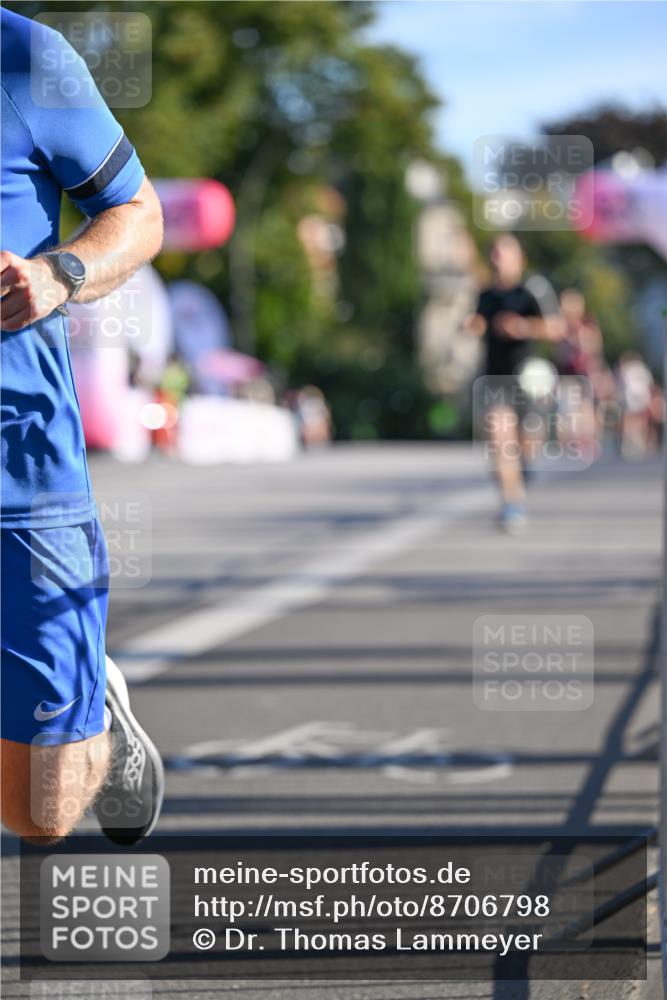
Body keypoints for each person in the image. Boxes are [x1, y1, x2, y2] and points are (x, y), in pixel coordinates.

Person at [1, 9, 164, 844]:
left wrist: (58, 274)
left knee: (39, 813)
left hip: (21, 467)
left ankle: (90, 697)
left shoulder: (25, 56)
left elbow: (140, 214)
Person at [467, 234, 563, 533]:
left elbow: (556, 327)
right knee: (499, 437)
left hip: (530, 379)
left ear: (518, 258)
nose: (498, 258)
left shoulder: (532, 290)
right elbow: (478, 322)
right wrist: (471, 326)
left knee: (527, 444)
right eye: (494, 252)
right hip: (496, 378)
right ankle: (512, 502)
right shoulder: (486, 295)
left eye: (504, 253)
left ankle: (523, 467)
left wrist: (523, 327)